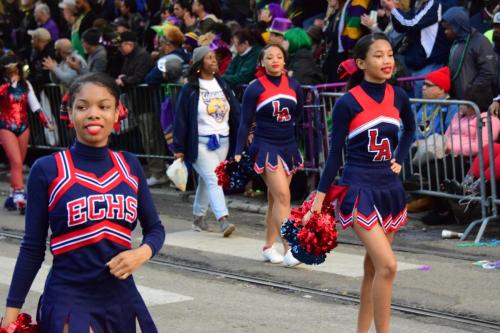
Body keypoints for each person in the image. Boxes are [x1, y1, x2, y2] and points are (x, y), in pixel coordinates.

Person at [1, 72, 166, 332]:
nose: (93, 113)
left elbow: (155, 229)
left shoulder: (130, 165)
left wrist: (142, 253)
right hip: (69, 298)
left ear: (117, 113)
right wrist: (11, 314)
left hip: (121, 299)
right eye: (82, 106)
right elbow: (32, 247)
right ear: (69, 113)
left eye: (104, 106)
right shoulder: (48, 169)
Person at [304, 33, 416, 332]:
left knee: (374, 269)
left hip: (389, 190)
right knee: (388, 266)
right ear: (361, 63)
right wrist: (319, 198)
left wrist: (400, 158)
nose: (386, 60)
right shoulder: (348, 103)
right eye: (378, 55)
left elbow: (410, 130)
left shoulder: (399, 96)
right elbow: (334, 154)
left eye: (389, 54)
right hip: (358, 190)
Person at [234, 44, 304, 267]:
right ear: (262, 62)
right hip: (265, 147)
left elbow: (299, 114)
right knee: (283, 196)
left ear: (285, 61)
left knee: (276, 199)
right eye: (269, 57)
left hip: (288, 146)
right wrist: (237, 151)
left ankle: (267, 247)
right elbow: (245, 122)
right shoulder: (255, 88)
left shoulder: (294, 85)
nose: (275, 60)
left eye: (279, 56)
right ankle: (290, 248)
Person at [173, 46, 240, 236]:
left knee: (207, 180)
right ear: (199, 63)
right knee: (214, 179)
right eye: (209, 58)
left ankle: (198, 218)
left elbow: (235, 110)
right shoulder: (190, 89)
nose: (214, 61)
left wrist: (246, 131)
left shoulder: (222, 84)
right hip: (200, 144)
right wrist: (179, 148)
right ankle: (223, 220)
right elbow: (181, 118)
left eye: (215, 58)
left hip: (223, 142)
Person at [0, 55, 53, 212]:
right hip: (5, 126)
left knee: (19, 163)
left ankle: (12, 195)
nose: (13, 73)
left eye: (16, 70)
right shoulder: (2, 86)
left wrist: (46, 122)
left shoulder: (26, 85)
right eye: (10, 70)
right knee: (16, 161)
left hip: (23, 127)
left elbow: (35, 105)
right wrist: (9, 85)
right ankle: (20, 194)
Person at [442, 6, 498, 112]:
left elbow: (487, 73)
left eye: (448, 28)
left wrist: (470, 97)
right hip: (462, 103)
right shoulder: (456, 42)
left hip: (478, 105)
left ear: (457, 26)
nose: (445, 32)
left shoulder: (480, 42)